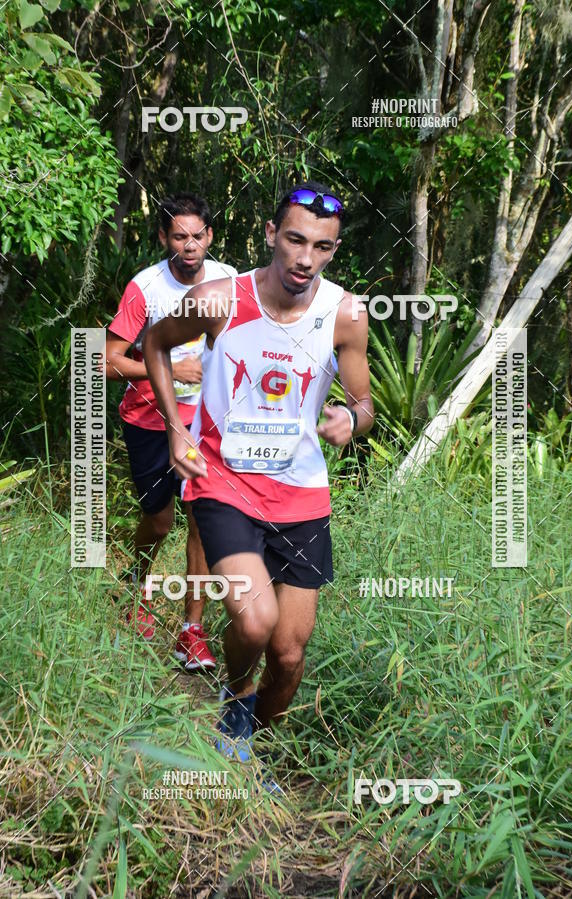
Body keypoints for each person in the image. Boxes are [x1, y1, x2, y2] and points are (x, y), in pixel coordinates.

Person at [143, 181, 373, 759]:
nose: (304, 259)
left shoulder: (344, 314)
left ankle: (252, 753)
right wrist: (175, 428)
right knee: (253, 622)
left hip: (301, 496)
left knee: (290, 657)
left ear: (334, 250)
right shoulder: (221, 299)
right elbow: (154, 346)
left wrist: (351, 417)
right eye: (295, 240)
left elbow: (365, 405)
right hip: (223, 482)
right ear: (271, 234)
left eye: (321, 247)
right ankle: (236, 692)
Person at [106, 192, 237, 671]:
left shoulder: (229, 283)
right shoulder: (145, 287)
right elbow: (106, 361)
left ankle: (191, 631)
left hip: (206, 421)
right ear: (164, 237)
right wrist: (166, 369)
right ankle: (136, 586)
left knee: (202, 521)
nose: (189, 245)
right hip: (149, 418)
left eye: (197, 235)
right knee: (159, 520)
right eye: (178, 236)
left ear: (209, 236)